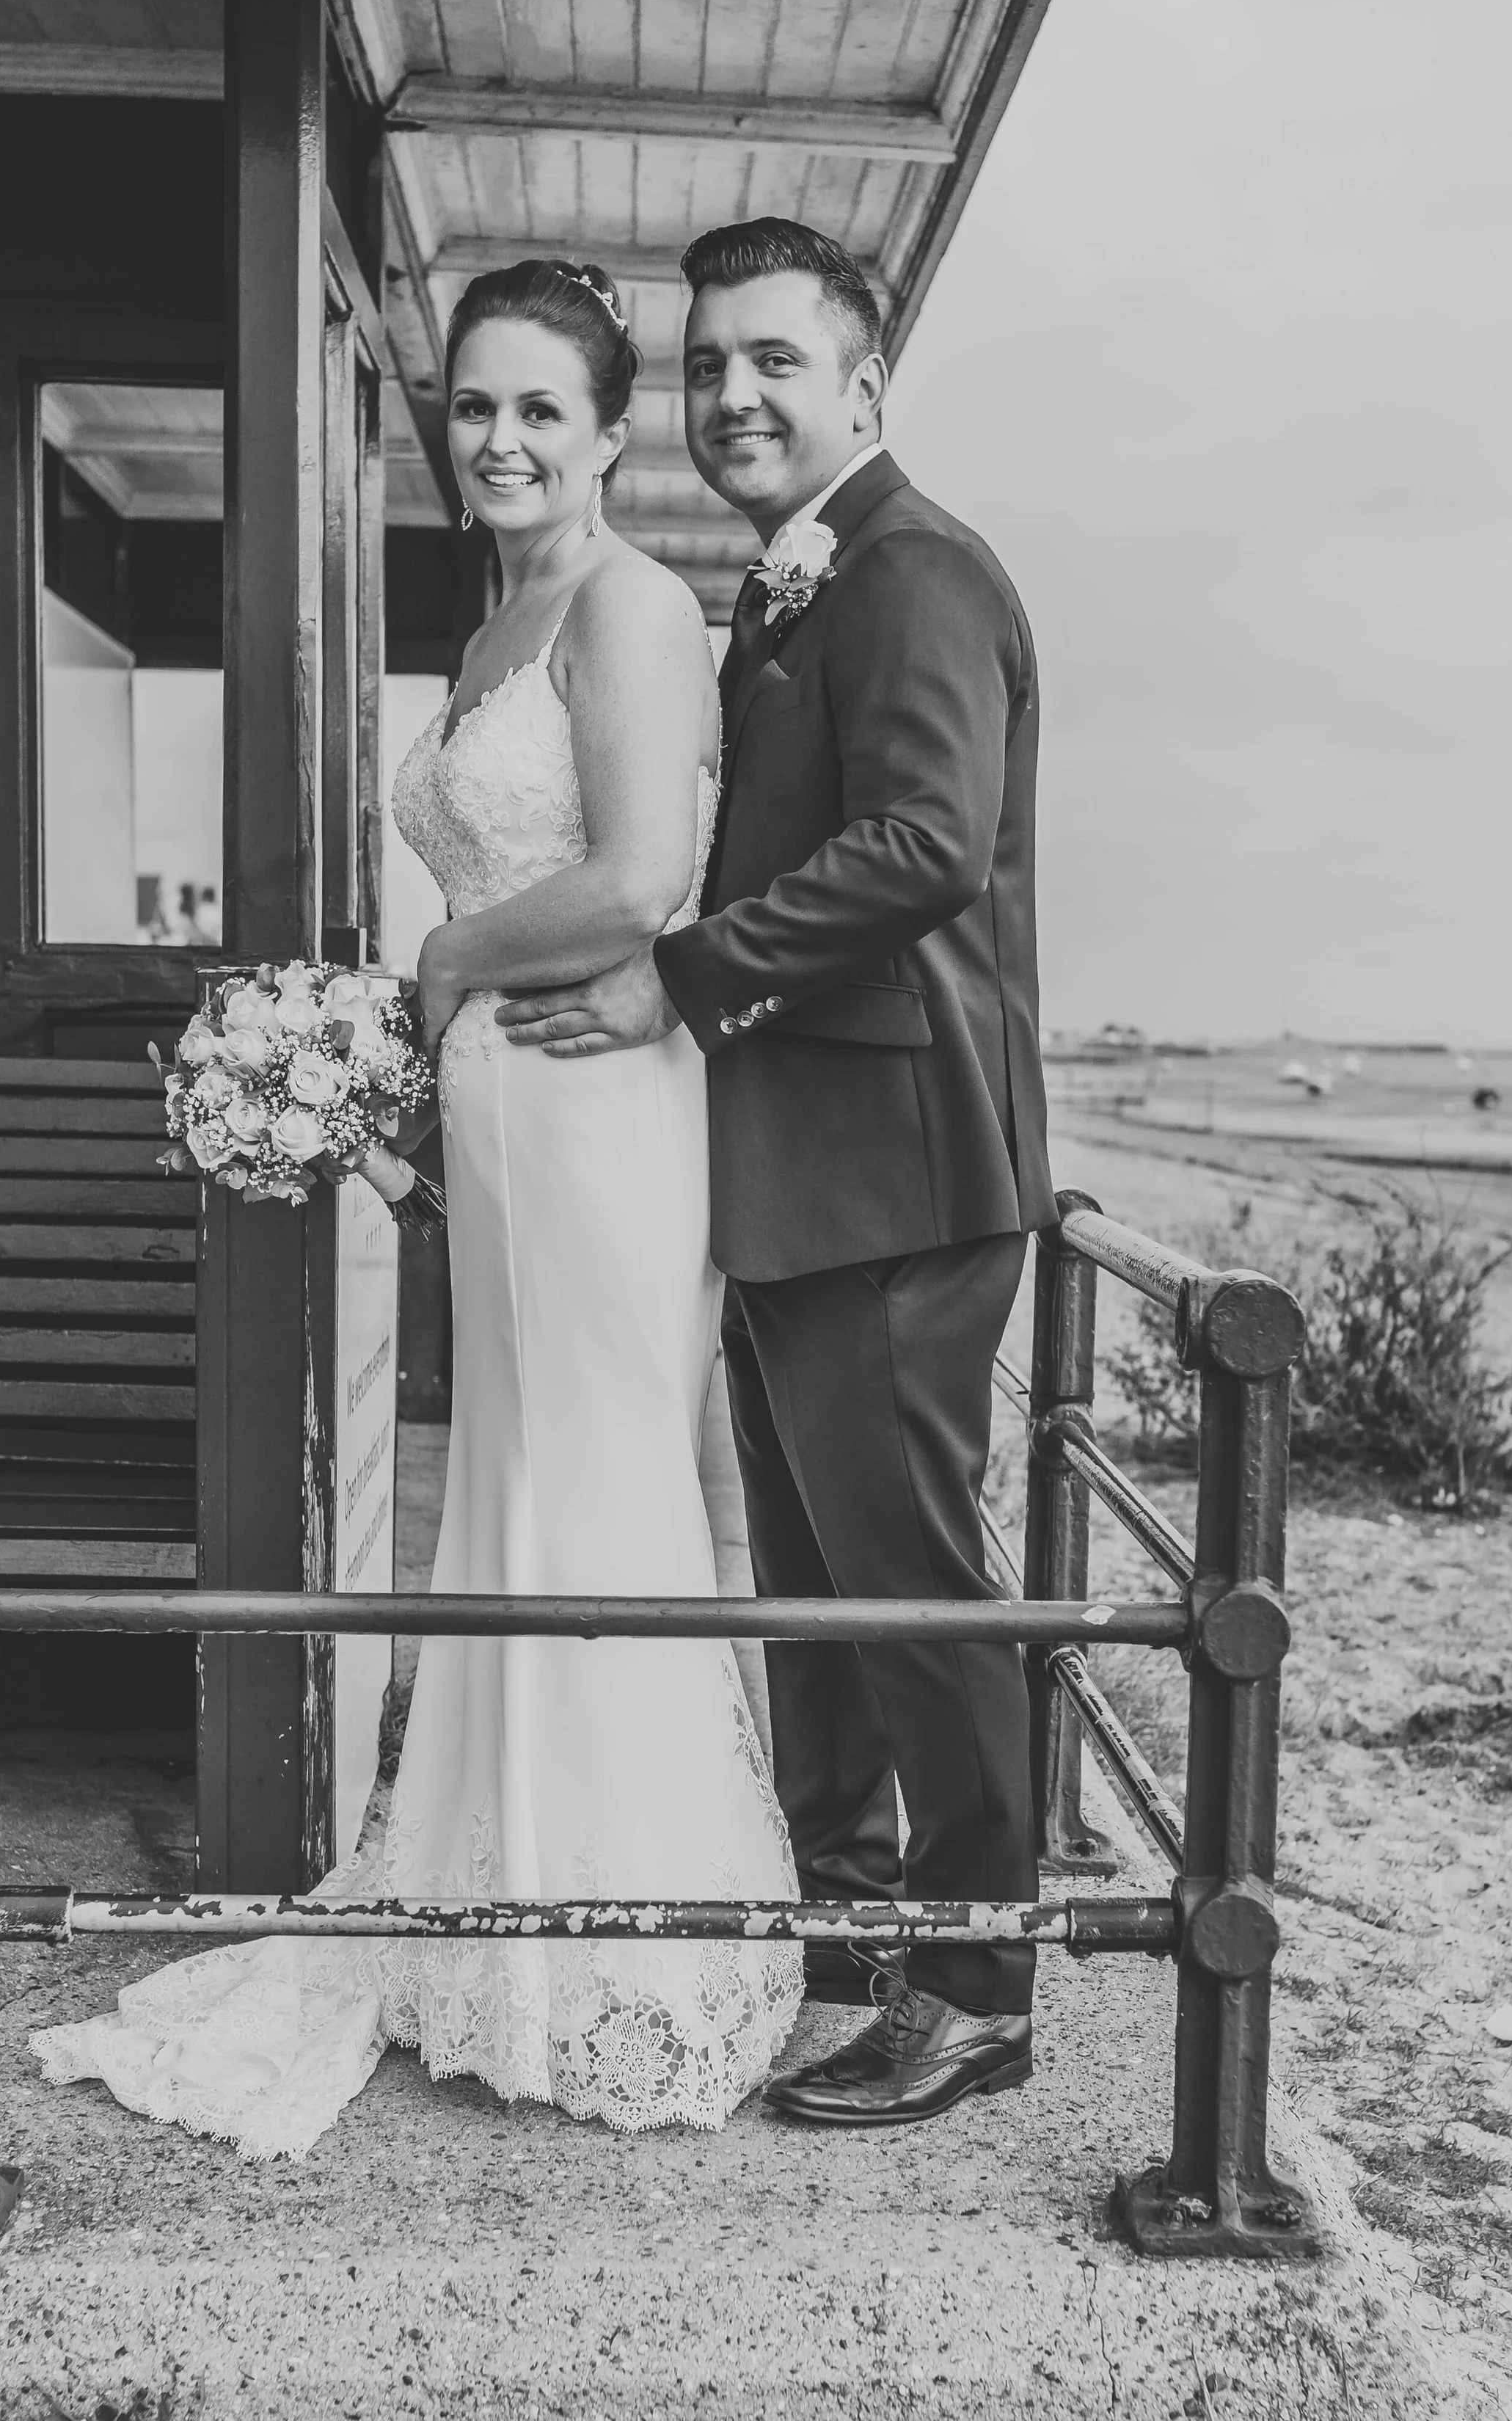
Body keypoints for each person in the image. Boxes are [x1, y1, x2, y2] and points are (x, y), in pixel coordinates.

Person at [32, 259, 803, 2157]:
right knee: (508, 1492)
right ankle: (493, 1918)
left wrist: (443, 954)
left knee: (598, 1489)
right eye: (475, 406)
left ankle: (625, 1952)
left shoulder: (624, 605)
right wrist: (393, 1060)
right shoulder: (495, 620)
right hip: (497, 1115)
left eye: (543, 406)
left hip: (604, 1108)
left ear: (609, 430)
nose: (503, 439)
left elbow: (631, 879)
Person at [499, 217, 1056, 2127]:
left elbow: (923, 846)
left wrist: (678, 973)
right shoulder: (802, 581)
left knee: (904, 1587)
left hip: (898, 1168)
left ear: (861, 383)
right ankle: (844, 1925)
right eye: (712, 364)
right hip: (799, 1164)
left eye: (773, 363)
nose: (735, 395)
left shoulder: (910, 570)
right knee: (817, 1582)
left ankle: (978, 1984)